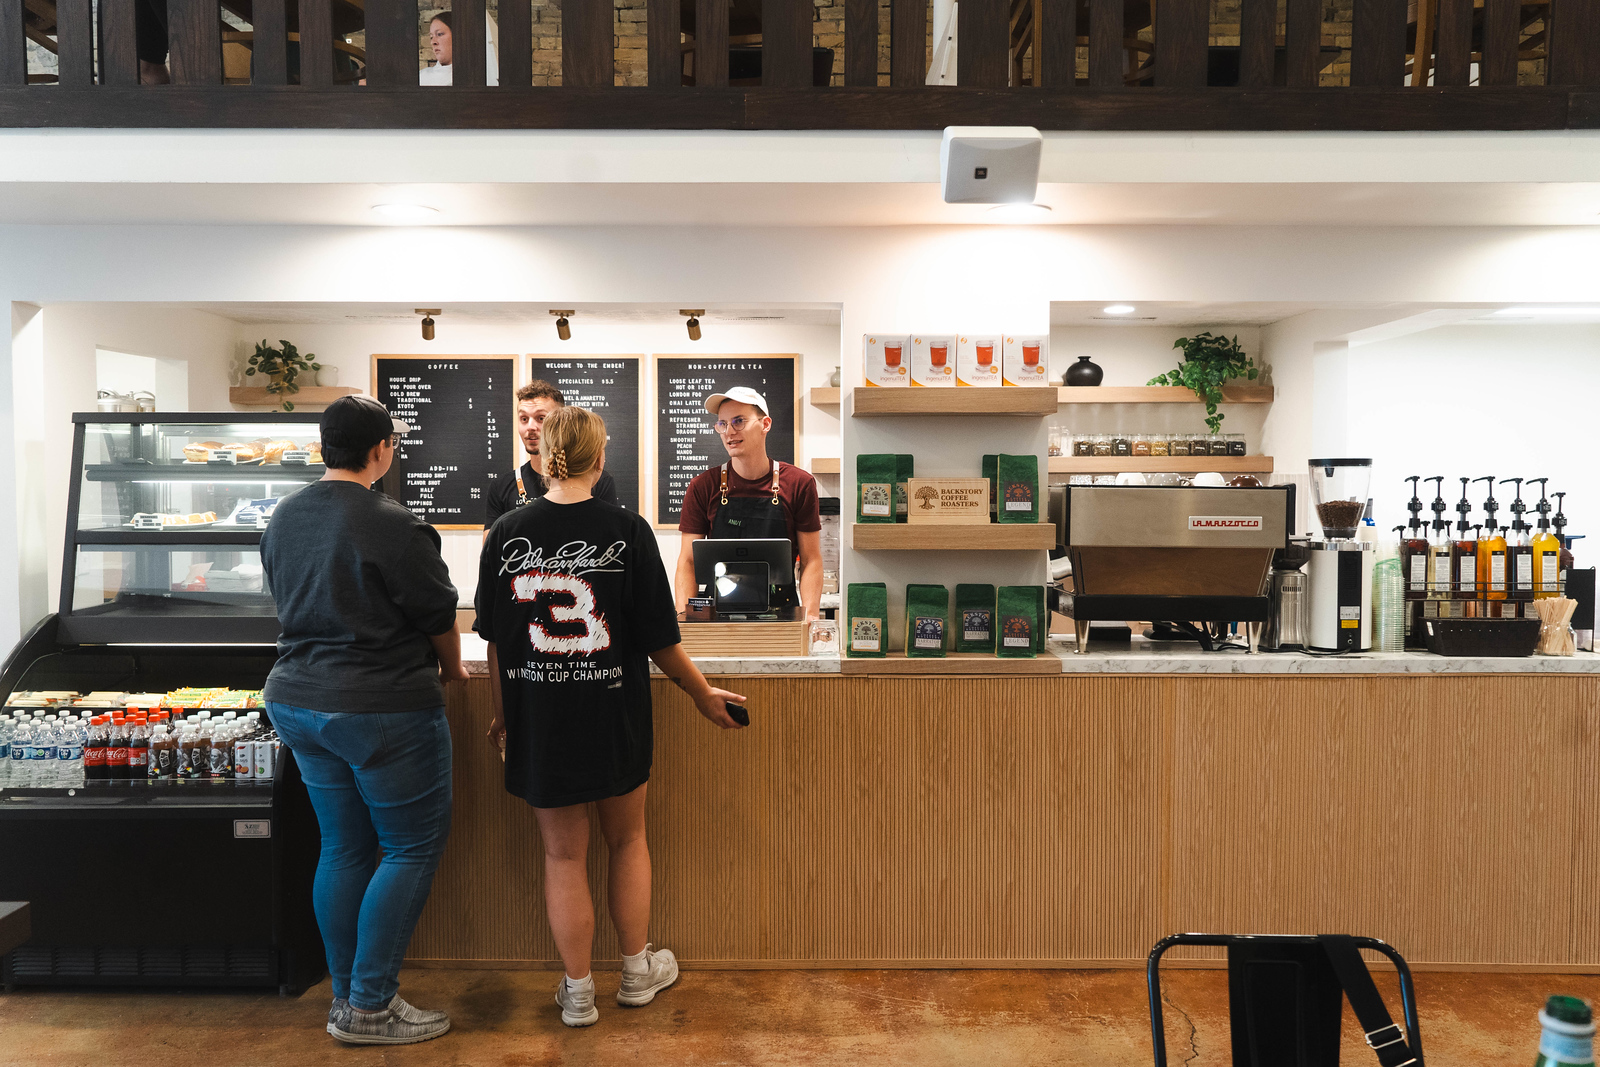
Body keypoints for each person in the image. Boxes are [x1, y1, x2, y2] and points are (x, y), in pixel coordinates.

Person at [475, 405, 745, 1028]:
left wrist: (503, 717)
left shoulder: (506, 533)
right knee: (628, 841)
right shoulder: (628, 531)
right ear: (600, 460)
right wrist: (703, 694)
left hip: (539, 714)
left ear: (542, 458)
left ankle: (576, 992)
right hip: (613, 712)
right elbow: (660, 638)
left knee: (562, 857)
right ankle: (635, 972)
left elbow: (494, 642)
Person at [261, 395, 466, 1047]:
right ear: (380, 449)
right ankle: (371, 1007)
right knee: (408, 846)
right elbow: (438, 618)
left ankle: (347, 997)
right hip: (381, 705)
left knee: (344, 846)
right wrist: (456, 674)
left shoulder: (283, 516)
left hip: (297, 700)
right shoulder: (395, 523)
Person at [674, 386, 823, 619]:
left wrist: (811, 617)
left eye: (739, 421)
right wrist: (684, 617)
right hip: (717, 615)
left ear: (765, 424)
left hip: (781, 614)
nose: (729, 432)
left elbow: (811, 559)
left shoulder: (799, 483)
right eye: (722, 424)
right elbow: (688, 561)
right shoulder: (703, 486)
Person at [484, 380, 620, 531]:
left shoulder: (599, 480)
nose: (530, 427)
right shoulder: (501, 487)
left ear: (559, 423)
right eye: (524, 419)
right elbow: (491, 547)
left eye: (541, 418)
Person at [419, 10, 500, 86]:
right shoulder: (422, 77)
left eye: (439, 34)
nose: (433, 42)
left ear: (458, 36)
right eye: (431, 37)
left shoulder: (477, 78)